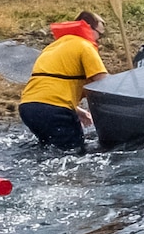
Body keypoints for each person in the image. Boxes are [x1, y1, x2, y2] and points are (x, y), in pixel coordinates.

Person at [19, 11, 107, 152]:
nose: (100, 40)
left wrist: (78, 111)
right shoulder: (84, 46)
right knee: (75, 153)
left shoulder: (53, 47)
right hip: (55, 111)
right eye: (100, 34)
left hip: (28, 108)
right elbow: (104, 82)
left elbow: (49, 86)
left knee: (50, 151)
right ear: (89, 28)